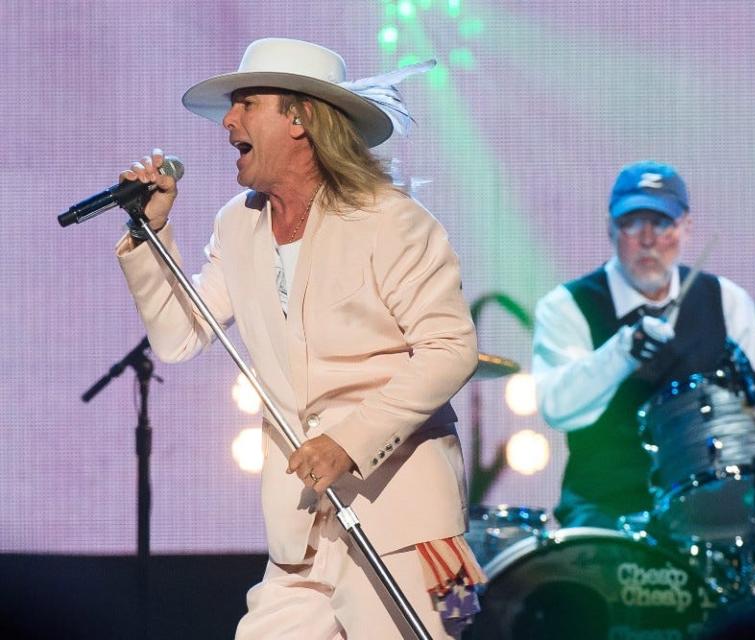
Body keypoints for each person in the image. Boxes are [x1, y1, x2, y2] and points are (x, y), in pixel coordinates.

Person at [115, 38, 482, 639]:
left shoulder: (391, 221)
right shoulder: (239, 222)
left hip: (397, 516)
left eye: (247, 104)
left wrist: (350, 440)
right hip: (302, 524)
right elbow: (181, 334)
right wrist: (150, 234)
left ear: (300, 118)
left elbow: (450, 349)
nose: (229, 121)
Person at [532, 160, 755, 529]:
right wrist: (622, 352)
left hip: (706, 501)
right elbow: (557, 408)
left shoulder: (726, 301)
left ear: (685, 228)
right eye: (632, 223)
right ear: (611, 228)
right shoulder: (567, 306)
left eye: (661, 223)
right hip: (605, 505)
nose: (648, 240)